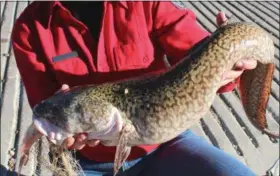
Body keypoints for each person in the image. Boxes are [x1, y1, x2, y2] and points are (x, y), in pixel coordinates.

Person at [11, 1, 257, 176]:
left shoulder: (149, 4)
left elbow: (198, 52)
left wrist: (231, 64)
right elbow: (44, 104)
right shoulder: (29, 29)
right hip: (88, 162)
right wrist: (66, 136)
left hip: (166, 144)